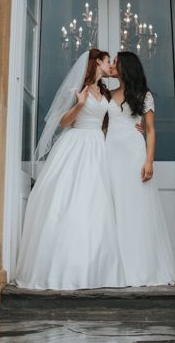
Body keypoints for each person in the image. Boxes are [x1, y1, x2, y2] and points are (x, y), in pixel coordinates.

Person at [14, 48, 125, 290]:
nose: (110, 65)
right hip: (77, 144)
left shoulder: (105, 91)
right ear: (97, 62)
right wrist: (80, 104)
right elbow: (63, 122)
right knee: (71, 200)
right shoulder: (78, 90)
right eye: (108, 61)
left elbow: (113, 119)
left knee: (96, 203)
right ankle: (64, 269)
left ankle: (96, 269)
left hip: (98, 146)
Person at [105, 51, 175, 286]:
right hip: (110, 154)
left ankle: (140, 268)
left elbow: (150, 129)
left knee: (135, 209)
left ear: (127, 66)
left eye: (116, 62)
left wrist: (149, 161)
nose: (113, 65)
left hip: (133, 154)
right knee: (113, 208)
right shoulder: (108, 94)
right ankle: (115, 270)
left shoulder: (143, 95)